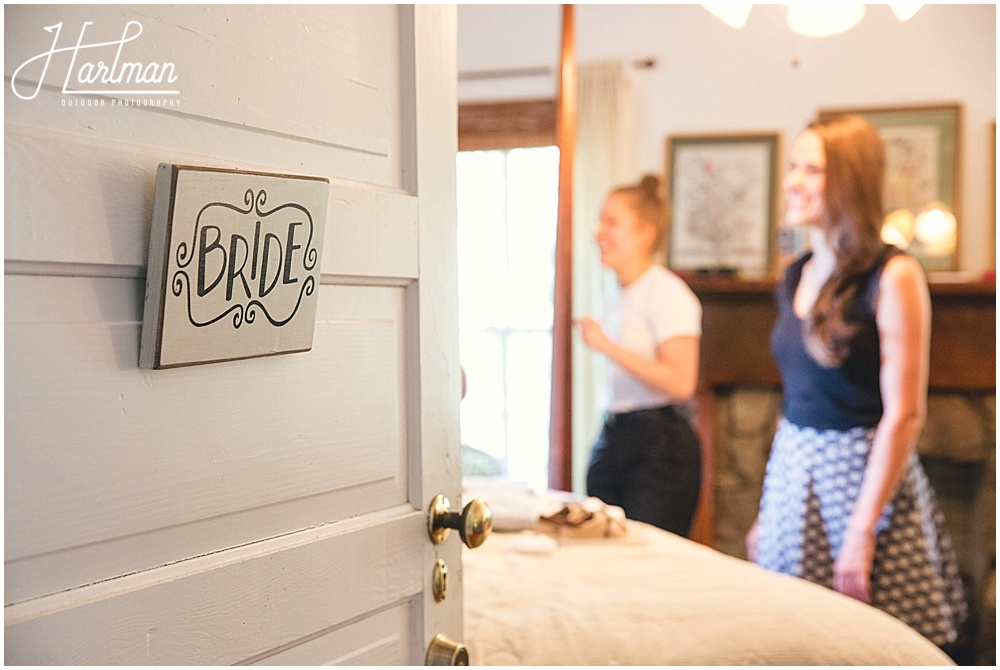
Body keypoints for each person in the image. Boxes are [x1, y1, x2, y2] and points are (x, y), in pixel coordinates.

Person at [747, 115, 966, 647]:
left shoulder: (893, 276)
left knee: (876, 644)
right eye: (794, 166)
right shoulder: (794, 274)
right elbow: (795, 397)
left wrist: (862, 530)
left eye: (812, 169)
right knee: (795, 643)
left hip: (863, 482)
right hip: (792, 474)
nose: (793, 180)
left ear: (851, 180)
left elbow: (905, 413)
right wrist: (766, 509)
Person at [576, 175, 702, 537]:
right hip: (617, 434)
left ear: (645, 232)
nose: (598, 232)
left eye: (611, 222)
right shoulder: (614, 296)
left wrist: (606, 346)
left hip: (661, 446)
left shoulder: (667, 293)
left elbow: (681, 383)